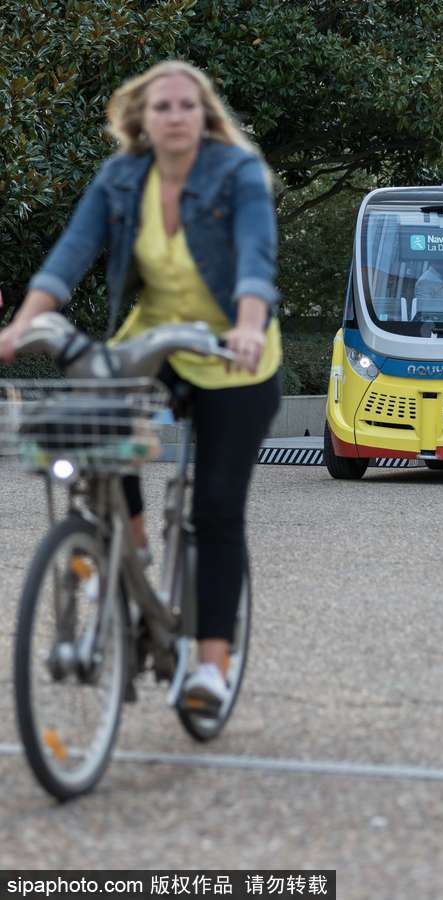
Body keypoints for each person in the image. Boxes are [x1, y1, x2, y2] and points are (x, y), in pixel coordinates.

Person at [0, 60, 281, 712]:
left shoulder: (236, 173)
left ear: (204, 117)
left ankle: (211, 665)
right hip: (153, 340)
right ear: (142, 120)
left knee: (216, 507)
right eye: (162, 107)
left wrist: (247, 326)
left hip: (232, 354)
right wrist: (19, 328)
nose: (175, 116)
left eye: (186, 105)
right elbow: (70, 254)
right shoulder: (121, 177)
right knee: (95, 421)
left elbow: (256, 257)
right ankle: (132, 542)